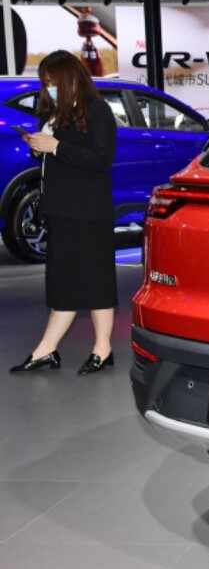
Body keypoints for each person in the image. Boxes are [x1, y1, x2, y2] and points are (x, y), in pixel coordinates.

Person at [10, 50, 118, 374]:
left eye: (52, 82)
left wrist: (56, 147)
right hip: (61, 211)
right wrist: (39, 147)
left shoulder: (97, 110)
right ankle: (47, 349)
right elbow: (61, 158)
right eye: (45, 83)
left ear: (70, 79)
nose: (49, 88)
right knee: (63, 283)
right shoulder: (56, 113)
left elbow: (100, 159)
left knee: (96, 280)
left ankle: (101, 348)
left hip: (89, 212)